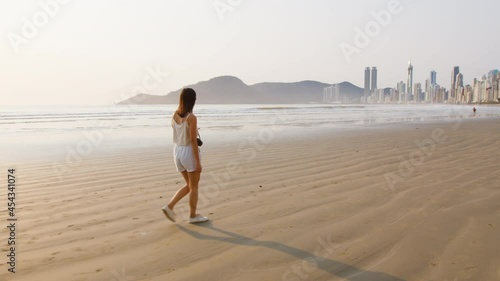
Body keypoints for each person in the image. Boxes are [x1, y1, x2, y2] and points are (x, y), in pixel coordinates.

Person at [162, 88, 208, 224]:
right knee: (194, 187)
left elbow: (179, 133)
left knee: (189, 185)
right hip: (188, 152)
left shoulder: (174, 115)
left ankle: (169, 207)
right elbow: (193, 141)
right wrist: (197, 162)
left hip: (177, 151)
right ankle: (193, 216)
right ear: (192, 100)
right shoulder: (191, 118)